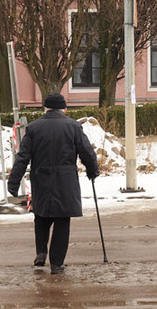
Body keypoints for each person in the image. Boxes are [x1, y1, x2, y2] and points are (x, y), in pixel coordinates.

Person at [8, 93, 99, 274]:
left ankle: (41, 253)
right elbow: (87, 152)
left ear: (46, 108)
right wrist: (92, 170)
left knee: (41, 216)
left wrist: (14, 181)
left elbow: (23, 157)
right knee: (62, 220)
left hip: (41, 178)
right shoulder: (73, 126)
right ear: (63, 108)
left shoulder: (34, 128)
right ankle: (56, 263)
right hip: (66, 180)